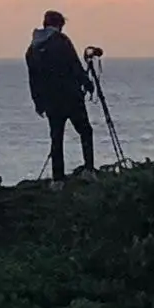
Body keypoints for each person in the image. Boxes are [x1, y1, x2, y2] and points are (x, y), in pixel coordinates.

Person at [25, 10, 95, 183]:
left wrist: (38, 102)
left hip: (50, 101)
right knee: (85, 131)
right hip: (71, 96)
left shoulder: (33, 48)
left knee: (56, 138)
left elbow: (33, 79)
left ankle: (58, 179)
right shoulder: (61, 42)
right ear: (59, 25)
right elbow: (74, 65)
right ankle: (88, 170)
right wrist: (87, 83)